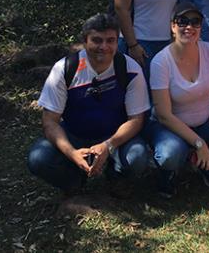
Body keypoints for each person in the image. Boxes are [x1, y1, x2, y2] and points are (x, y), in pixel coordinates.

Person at [27, 14, 150, 196]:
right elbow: (49, 121)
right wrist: (71, 153)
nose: (104, 47)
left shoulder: (130, 69)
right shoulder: (65, 69)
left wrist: (108, 145)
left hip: (115, 136)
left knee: (137, 157)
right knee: (38, 159)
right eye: (97, 40)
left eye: (110, 41)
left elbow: (136, 119)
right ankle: (74, 179)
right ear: (85, 41)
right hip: (75, 134)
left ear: (117, 42)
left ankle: (115, 176)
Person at [145, 2, 209, 197]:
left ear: (200, 28)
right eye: (182, 21)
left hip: (205, 122)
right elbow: (164, 115)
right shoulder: (160, 62)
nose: (189, 27)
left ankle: (203, 161)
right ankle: (170, 171)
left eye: (195, 22)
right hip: (170, 129)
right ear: (173, 27)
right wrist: (199, 143)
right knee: (169, 154)